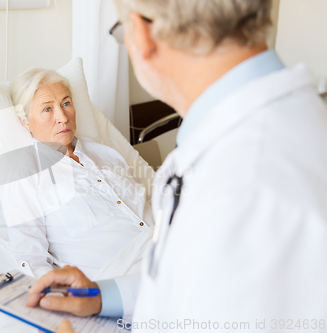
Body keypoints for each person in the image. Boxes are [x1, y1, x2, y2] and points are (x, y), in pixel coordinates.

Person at [26, 0, 327, 332]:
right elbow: (191, 280)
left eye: (120, 31)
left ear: (140, 34)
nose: (63, 115)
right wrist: (103, 296)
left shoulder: (242, 183)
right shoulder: (293, 124)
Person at [5, 67, 155, 280]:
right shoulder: (25, 177)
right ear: (25, 120)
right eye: (47, 109)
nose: (63, 117)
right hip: (126, 277)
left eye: (66, 103)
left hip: (171, 244)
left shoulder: (106, 153)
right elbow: (29, 256)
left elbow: (147, 200)